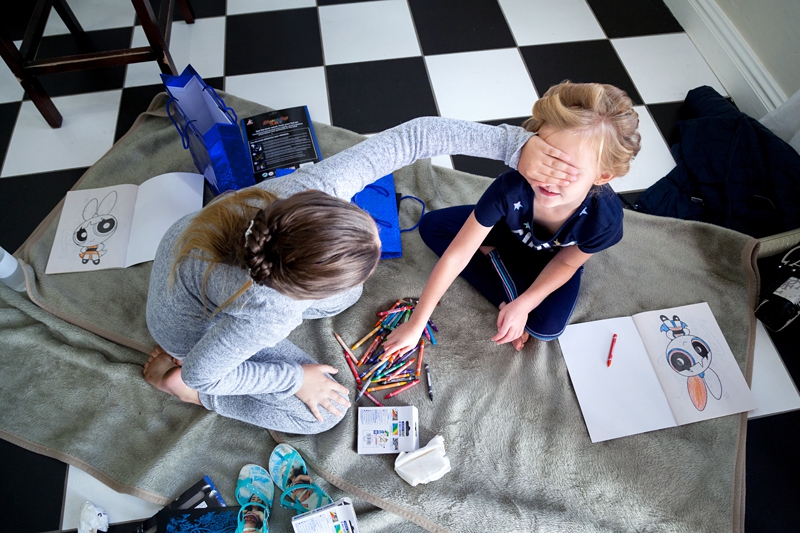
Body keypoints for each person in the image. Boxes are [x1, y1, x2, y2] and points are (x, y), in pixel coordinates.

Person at [143, 116, 580, 433]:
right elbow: (205, 370)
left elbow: (416, 134)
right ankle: (179, 389)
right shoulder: (270, 310)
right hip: (192, 337)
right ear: (300, 292)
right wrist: (296, 379)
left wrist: (513, 145)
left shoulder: (309, 187)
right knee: (325, 414)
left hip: (205, 272)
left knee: (349, 297)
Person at [383, 82, 642, 355]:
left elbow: (567, 262)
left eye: (567, 170)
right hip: (506, 231)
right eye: (546, 160)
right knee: (432, 226)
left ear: (602, 176)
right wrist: (416, 323)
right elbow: (457, 255)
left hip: (553, 258)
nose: (547, 179)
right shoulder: (511, 187)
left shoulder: (606, 219)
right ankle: (497, 260)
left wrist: (523, 305)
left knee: (546, 328)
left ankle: (495, 260)